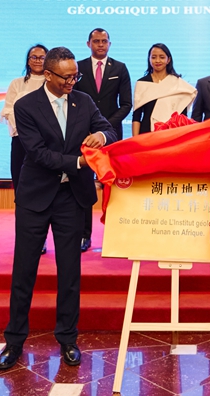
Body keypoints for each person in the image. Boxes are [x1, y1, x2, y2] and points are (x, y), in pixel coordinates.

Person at [0, 47, 117, 370]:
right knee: (24, 271)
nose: (72, 82)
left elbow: (109, 128)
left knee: (70, 271)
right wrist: (79, 162)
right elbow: (37, 153)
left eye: (75, 76)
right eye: (66, 77)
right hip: (35, 198)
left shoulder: (84, 101)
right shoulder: (26, 106)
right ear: (48, 75)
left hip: (71, 198)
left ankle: (67, 338)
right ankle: (14, 340)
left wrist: (100, 136)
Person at [74, 28, 131, 252]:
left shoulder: (120, 68)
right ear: (88, 44)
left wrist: (104, 125)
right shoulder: (78, 67)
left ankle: (119, 235)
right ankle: (84, 235)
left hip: (112, 134)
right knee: (84, 186)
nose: (100, 44)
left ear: (110, 43)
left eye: (104, 41)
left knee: (117, 185)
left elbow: (126, 104)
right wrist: (89, 127)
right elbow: (72, 100)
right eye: (96, 41)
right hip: (84, 136)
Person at [0, 44, 49, 254]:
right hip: (21, 143)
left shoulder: (52, 83)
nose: (37, 60)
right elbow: (9, 110)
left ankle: (42, 239)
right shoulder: (17, 83)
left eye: (42, 57)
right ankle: (25, 238)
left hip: (47, 144)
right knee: (22, 192)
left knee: (44, 192)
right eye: (33, 57)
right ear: (28, 60)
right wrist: (28, 132)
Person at [132, 43, 196, 136]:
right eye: (153, 57)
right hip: (146, 135)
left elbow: (182, 117)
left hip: (171, 135)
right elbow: (136, 117)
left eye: (162, 57)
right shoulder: (142, 84)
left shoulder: (179, 84)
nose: (157, 60)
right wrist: (135, 140)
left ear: (168, 60)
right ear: (149, 59)